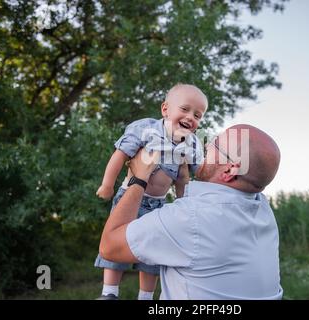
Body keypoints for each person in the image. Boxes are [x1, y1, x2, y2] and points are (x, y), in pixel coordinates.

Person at [99, 124, 283, 299]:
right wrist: (184, 181)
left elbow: (110, 247)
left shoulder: (191, 218)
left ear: (230, 169)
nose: (206, 145)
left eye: (215, 144)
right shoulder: (263, 210)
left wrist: (139, 179)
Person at [94, 84, 208, 300]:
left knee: (153, 250)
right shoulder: (147, 129)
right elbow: (120, 154)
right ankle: (109, 292)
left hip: (158, 203)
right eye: (184, 109)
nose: (190, 117)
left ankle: (145, 296)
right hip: (129, 196)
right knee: (117, 240)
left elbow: (200, 173)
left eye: (197, 115)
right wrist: (107, 184)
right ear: (165, 110)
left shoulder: (192, 144)